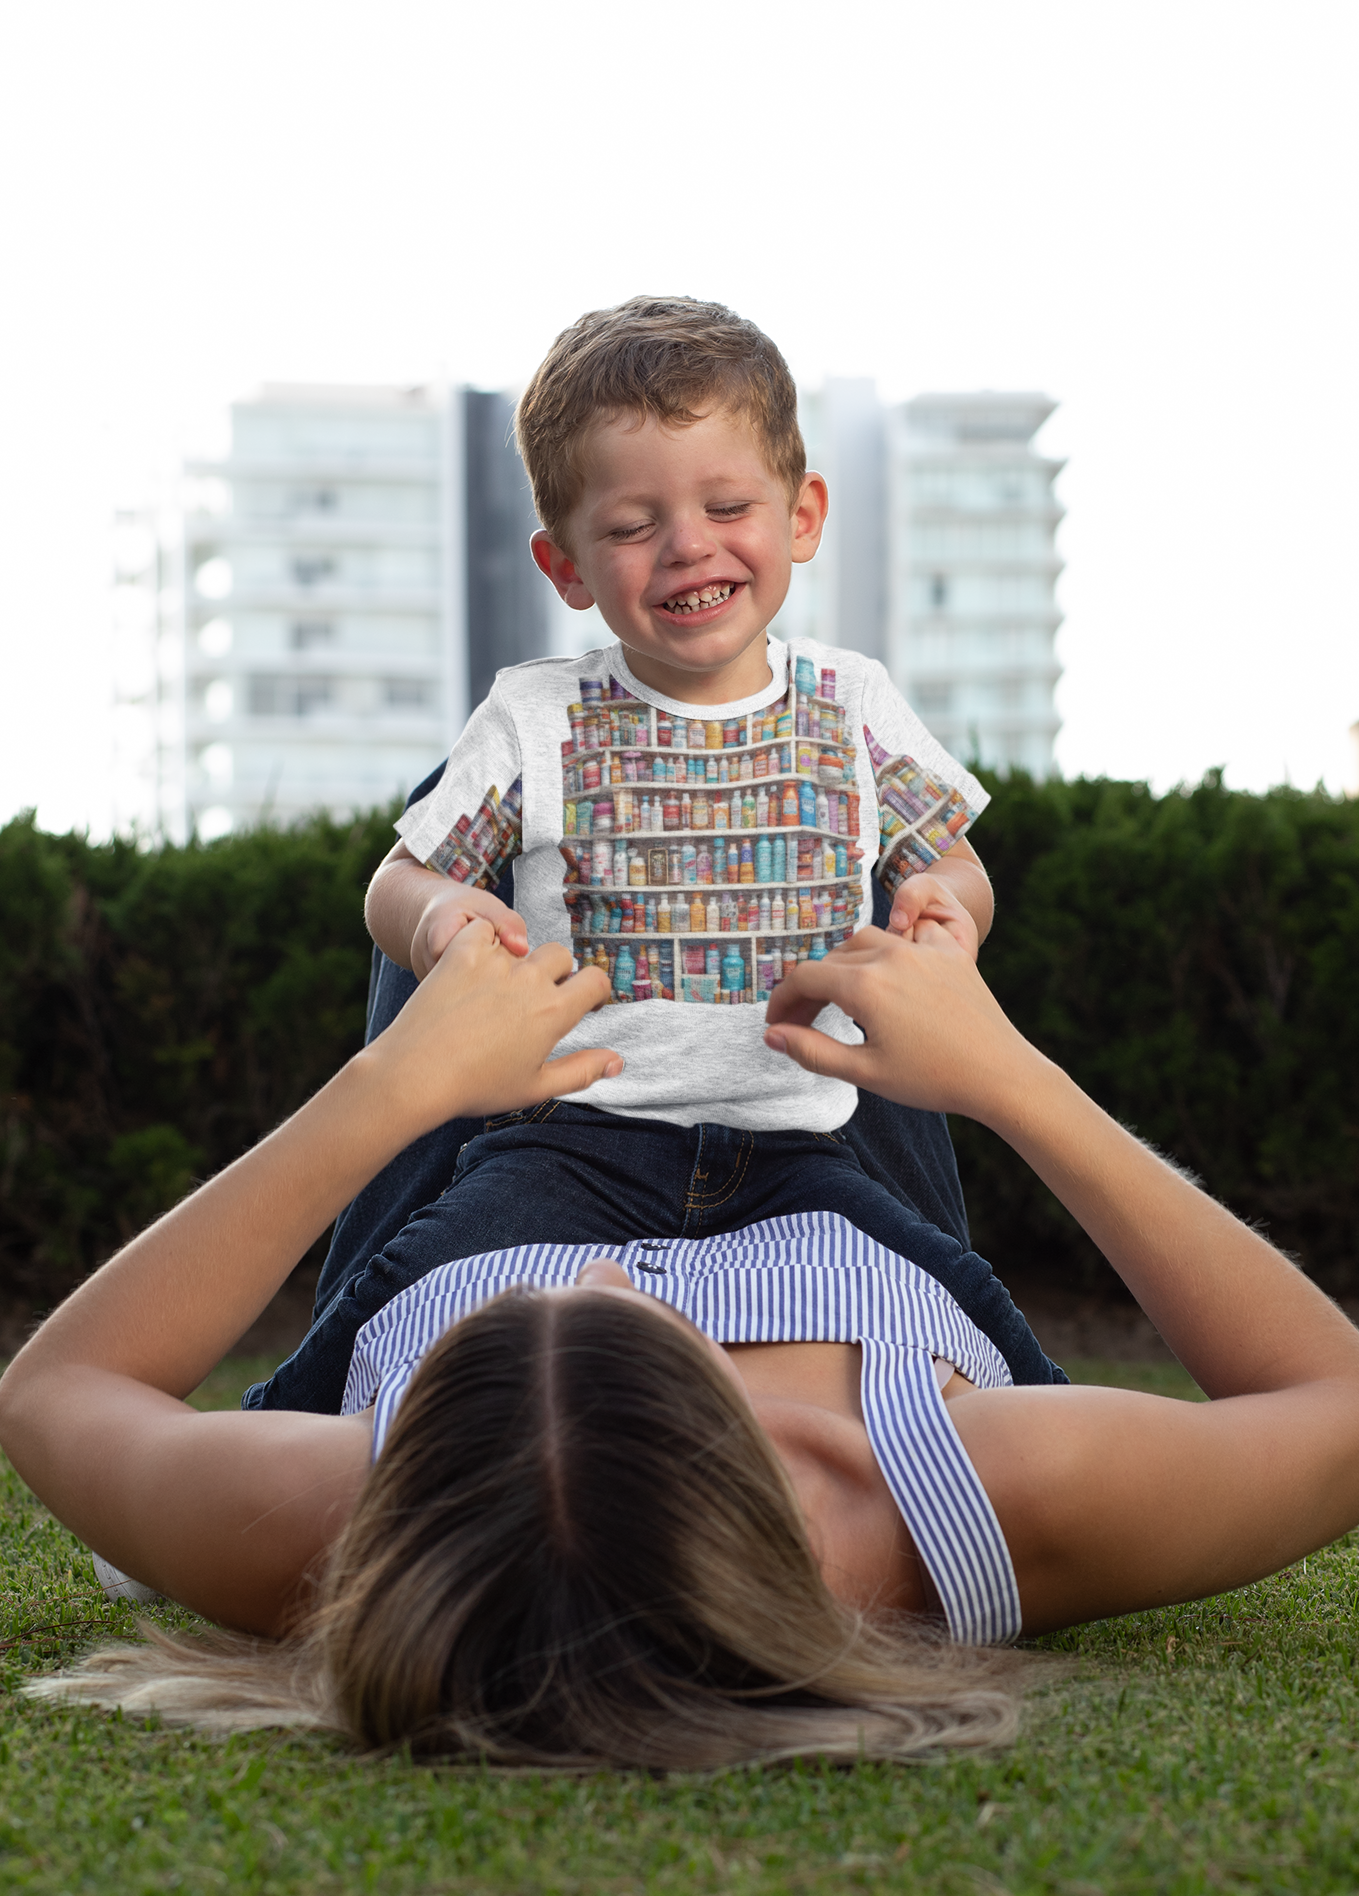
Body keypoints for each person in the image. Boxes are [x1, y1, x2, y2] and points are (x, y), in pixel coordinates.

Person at [0, 921, 1359, 1768]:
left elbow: (59, 1388)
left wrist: (390, 1093)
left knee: (482, 843)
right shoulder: (961, 1501)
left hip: (494, 1166)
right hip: (837, 1180)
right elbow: (1353, 1417)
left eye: (507, 1331)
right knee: (823, 841)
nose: (624, 1267)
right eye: (647, 1315)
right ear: (739, 1434)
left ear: (418, 1457)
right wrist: (1011, 1082)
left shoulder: (337, 1526)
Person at [257, 294, 1045, 1415]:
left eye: (730, 504)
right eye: (632, 526)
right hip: (575, 1143)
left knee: (954, 1286)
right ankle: (276, 1439)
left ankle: (1053, 1441)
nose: (688, 544)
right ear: (566, 564)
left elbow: (956, 857)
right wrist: (437, 920)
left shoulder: (852, 703)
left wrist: (947, 902)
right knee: (404, 1278)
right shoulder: (537, 717)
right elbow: (400, 880)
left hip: (798, 1153)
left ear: (804, 514)